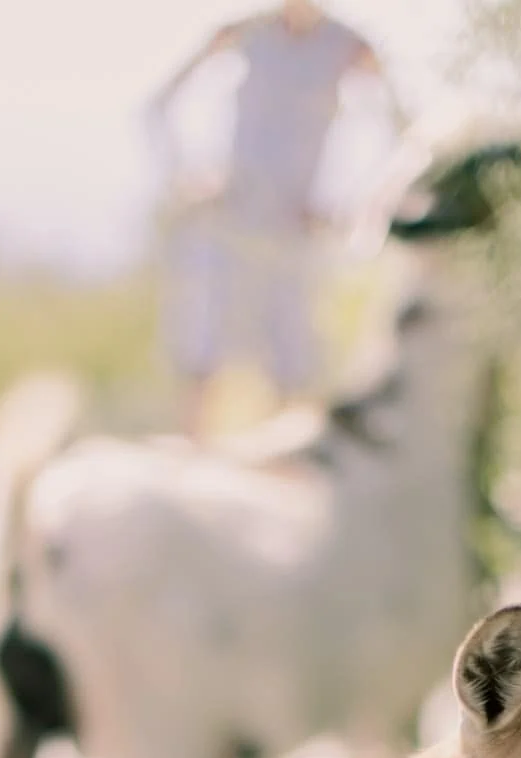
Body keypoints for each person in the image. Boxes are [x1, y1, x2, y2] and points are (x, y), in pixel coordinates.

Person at [150, 2, 396, 434]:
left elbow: (399, 128)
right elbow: (158, 105)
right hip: (229, 224)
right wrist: (188, 178)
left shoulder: (349, 46)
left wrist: (347, 208)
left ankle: (281, 481)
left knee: (294, 371)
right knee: (203, 364)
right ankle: (188, 472)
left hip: (295, 235)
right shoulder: (243, 32)